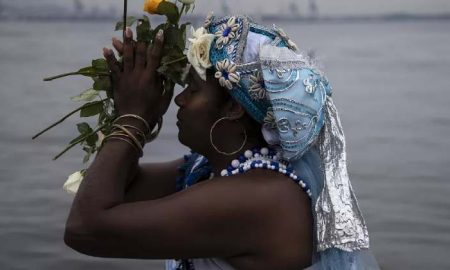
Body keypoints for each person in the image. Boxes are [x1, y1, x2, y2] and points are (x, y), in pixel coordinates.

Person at [64, 14, 380, 270]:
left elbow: (86, 228)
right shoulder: (209, 171)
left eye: (192, 89)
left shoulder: (260, 197)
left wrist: (133, 116)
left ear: (232, 107)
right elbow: (121, 191)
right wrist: (142, 111)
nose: (179, 100)